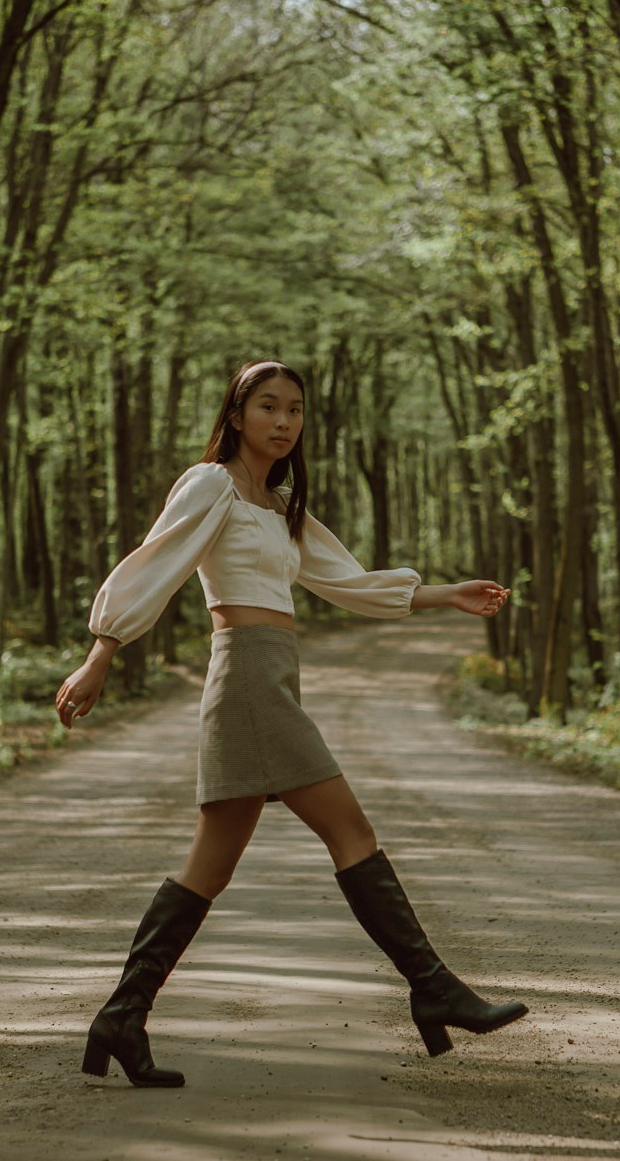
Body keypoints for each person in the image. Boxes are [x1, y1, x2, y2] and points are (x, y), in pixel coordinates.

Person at [55, 359, 527, 1088]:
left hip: (271, 675)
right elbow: (155, 562)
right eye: (268, 407)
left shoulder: (278, 506)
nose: (283, 422)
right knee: (351, 831)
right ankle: (433, 987)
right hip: (246, 679)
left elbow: (348, 581)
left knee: (209, 865)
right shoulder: (211, 484)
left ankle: (122, 1015)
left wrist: (445, 595)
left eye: (295, 410)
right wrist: (101, 651)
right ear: (237, 414)